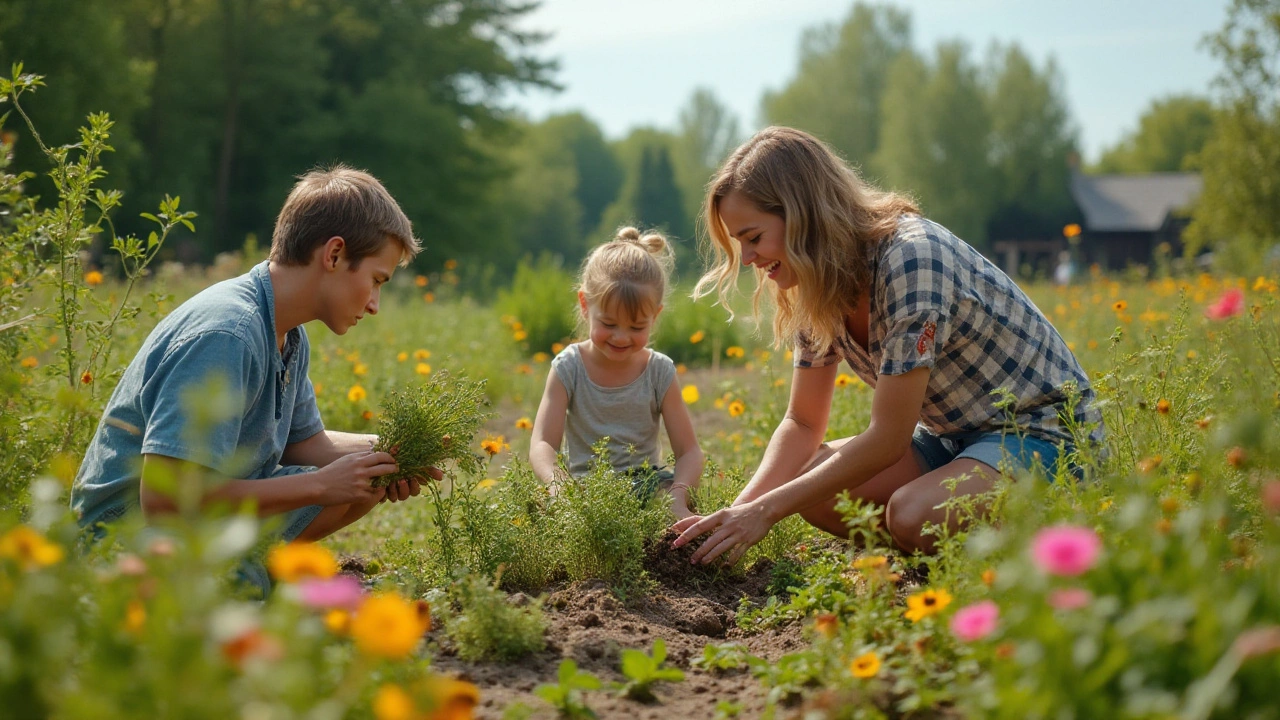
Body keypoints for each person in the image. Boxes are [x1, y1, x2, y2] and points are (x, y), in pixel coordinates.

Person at [672, 127, 1103, 564]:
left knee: (913, 514)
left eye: (753, 237)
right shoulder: (813, 282)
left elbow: (889, 438)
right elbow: (803, 422)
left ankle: (1047, 547)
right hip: (952, 438)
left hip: (1042, 433)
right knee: (813, 489)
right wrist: (738, 515)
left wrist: (764, 512)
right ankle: (944, 555)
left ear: (802, 215)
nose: (747, 259)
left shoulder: (911, 259)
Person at [71, 166, 435, 565]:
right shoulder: (228, 333)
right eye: (377, 280)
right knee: (333, 487)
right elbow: (164, 501)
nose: (374, 304)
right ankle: (220, 592)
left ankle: (244, 579)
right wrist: (318, 486)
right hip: (120, 541)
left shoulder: (287, 332)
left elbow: (305, 445)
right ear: (334, 255)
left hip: (181, 530)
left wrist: (393, 454)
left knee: (364, 482)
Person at [529, 227, 705, 519]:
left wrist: (678, 497)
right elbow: (543, 443)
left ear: (655, 316)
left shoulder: (659, 371)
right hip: (584, 491)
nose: (621, 337)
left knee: (668, 496)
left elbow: (689, 451)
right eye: (609, 324)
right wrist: (559, 489)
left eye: (637, 327)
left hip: (648, 487)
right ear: (585, 306)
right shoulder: (568, 367)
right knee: (535, 513)